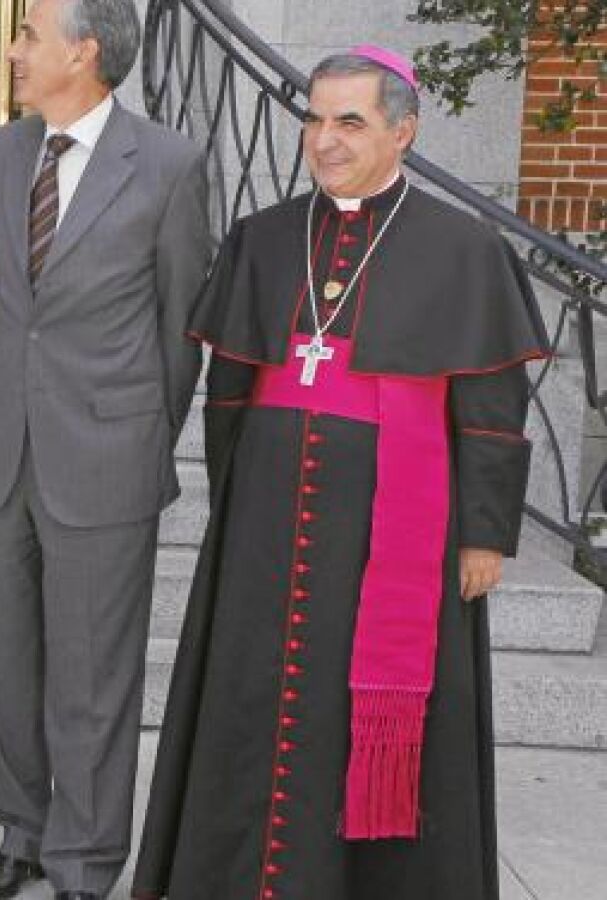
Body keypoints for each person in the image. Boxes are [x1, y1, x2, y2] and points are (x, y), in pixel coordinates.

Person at [131, 47, 547, 900]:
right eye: (313, 119)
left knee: (364, 711)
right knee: (250, 697)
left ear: (403, 131)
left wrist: (483, 534)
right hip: (265, 517)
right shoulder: (261, 238)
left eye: (348, 122)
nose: (323, 140)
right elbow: (229, 393)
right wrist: (235, 502)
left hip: (391, 519)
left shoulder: (462, 248)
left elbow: (489, 407)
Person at [0, 2, 212, 898]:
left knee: (93, 673)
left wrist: (137, 437)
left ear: (85, 51)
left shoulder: (169, 164)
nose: (13, 51)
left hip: (105, 456)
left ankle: (85, 859)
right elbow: (4, 313)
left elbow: (181, 327)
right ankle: (19, 836)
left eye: (28, 36)